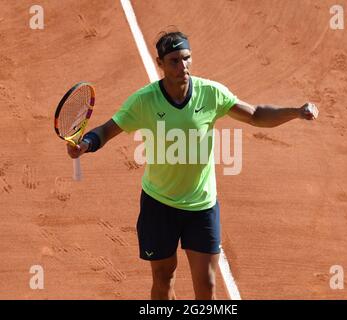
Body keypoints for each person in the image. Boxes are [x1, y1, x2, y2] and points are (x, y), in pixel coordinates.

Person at [67, 31, 319, 300]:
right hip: (159, 204)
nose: (182, 66)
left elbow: (256, 115)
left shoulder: (211, 94)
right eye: (174, 60)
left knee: (207, 285)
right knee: (164, 280)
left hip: (201, 205)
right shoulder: (144, 101)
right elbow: (107, 130)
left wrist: (295, 111)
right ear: (160, 63)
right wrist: (86, 144)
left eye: (186, 59)